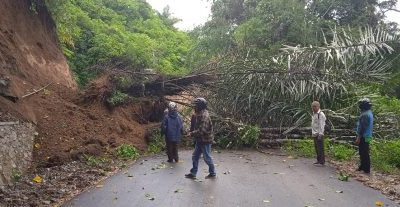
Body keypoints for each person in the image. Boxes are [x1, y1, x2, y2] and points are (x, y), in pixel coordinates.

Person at [185, 97, 216, 179]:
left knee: (207, 158)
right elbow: (196, 126)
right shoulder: (199, 114)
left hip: (205, 140)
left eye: (196, 106)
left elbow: (201, 131)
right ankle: (193, 173)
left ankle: (212, 173)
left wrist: (191, 134)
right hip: (200, 140)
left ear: (200, 106)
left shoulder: (204, 116)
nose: (194, 107)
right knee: (195, 156)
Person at [355, 98, 373, 174]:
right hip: (368, 135)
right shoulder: (369, 113)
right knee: (365, 151)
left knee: (363, 152)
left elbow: (362, 127)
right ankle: (362, 166)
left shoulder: (365, 115)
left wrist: (358, 137)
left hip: (364, 136)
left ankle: (366, 169)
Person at [311, 101, 326, 166]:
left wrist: (321, 134)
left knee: (320, 148)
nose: (313, 108)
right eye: (312, 106)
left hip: (319, 134)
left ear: (318, 107)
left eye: (315, 106)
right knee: (317, 148)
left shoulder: (321, 114)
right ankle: (318, 160)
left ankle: (322, 161)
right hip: (315, 133)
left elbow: (321, 125)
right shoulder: (314, 114)